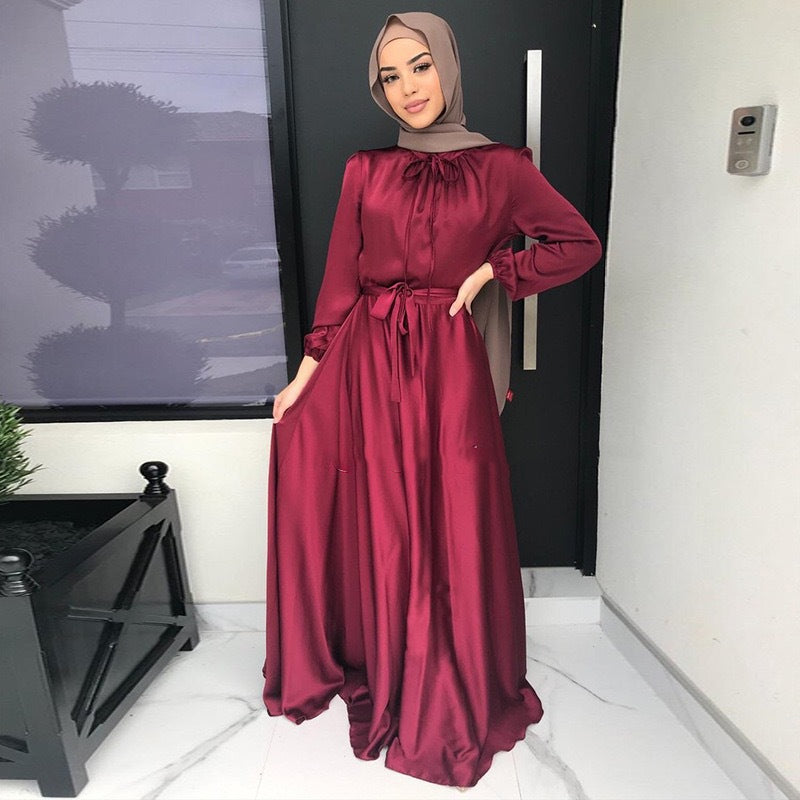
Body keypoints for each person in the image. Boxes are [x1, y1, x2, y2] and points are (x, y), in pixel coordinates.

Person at [262, 11, 602, 790]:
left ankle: (450, 674)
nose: (408, 88)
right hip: (369, 358)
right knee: (382, 512)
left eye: (419, 66)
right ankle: (388, 661)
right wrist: (306, 375)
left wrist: (494, 274)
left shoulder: (503, 168)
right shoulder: (365, 170)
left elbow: (577, 243)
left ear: (446, 66)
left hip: (450, 365)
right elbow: (341, 280)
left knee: (452, 511)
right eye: (390, 76)